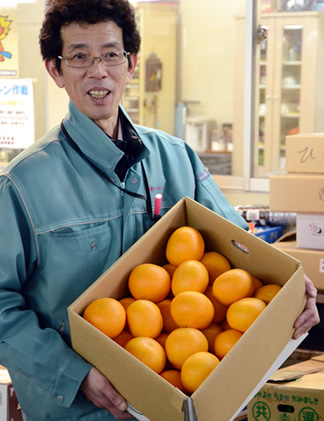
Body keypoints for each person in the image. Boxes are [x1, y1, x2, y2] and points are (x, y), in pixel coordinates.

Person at [0, 0, 319, 420]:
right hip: (82, 410)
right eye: (79, 56)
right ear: (55, 70)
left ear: (131, 64)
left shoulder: (176, 158)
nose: (98, 71)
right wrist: (73, 374)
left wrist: (291, 290)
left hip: (185, 393)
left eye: (111, 54)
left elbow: (242, 254)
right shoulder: (23, 185)